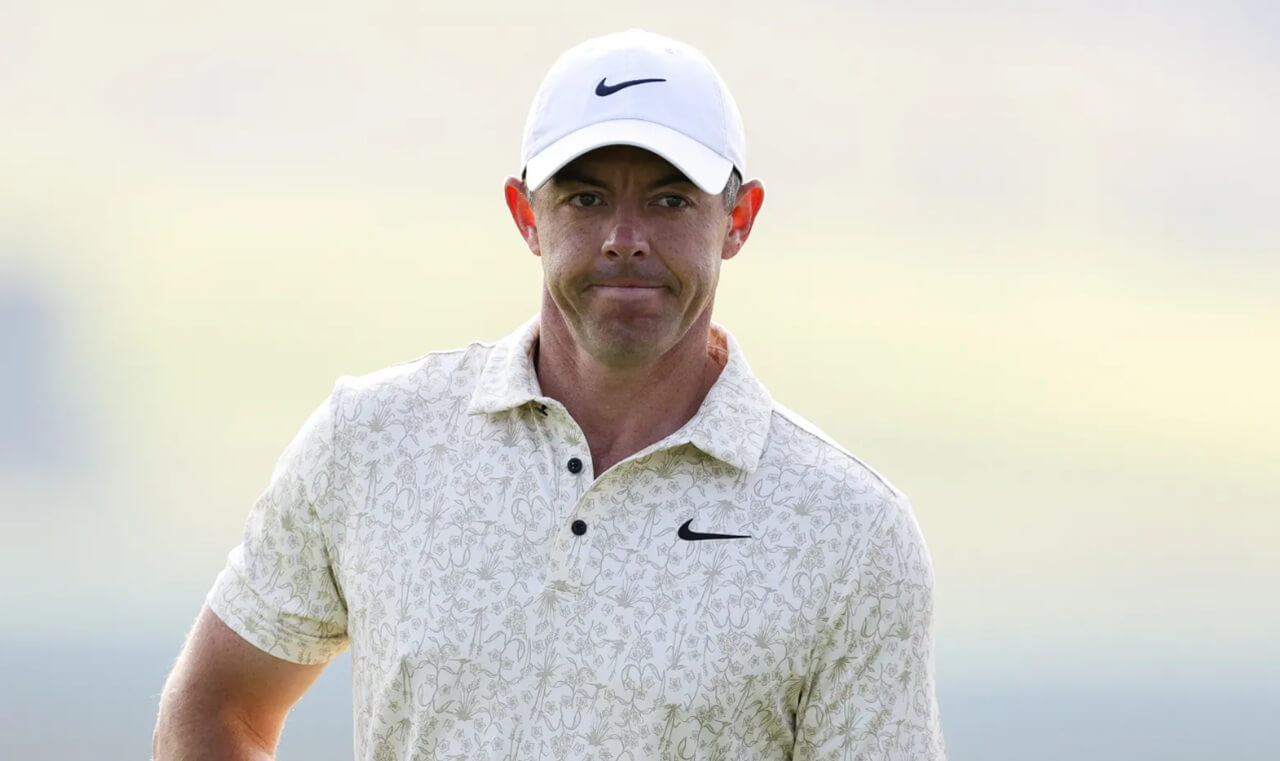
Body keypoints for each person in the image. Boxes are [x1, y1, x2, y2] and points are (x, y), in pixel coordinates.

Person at [152, 28, 945, 761]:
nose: (623, 238)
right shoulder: (374, 441)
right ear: (526, 213)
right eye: (585, 197)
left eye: (670, 200)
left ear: (738, 219)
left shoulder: (849, 534)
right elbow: (219, 705)